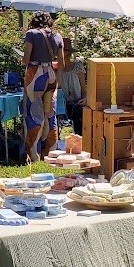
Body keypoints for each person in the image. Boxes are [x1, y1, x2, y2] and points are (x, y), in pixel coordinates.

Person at [21, 11, 64, 160]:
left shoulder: (31, 34)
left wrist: (23, 59)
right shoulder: (58, 36)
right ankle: (51, 152)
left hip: (35, 76)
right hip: (51, 75)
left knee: (34, 114)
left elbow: (26, 59)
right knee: (50, 114)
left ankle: (34, 155)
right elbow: (61, 64)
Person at [60, 35, 87, 135]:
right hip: (63, 106)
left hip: (78, 104)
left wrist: (85, 99)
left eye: (64, 50)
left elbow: (84, 89)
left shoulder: (77, 67)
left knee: (79, 120)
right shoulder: (56, 69)